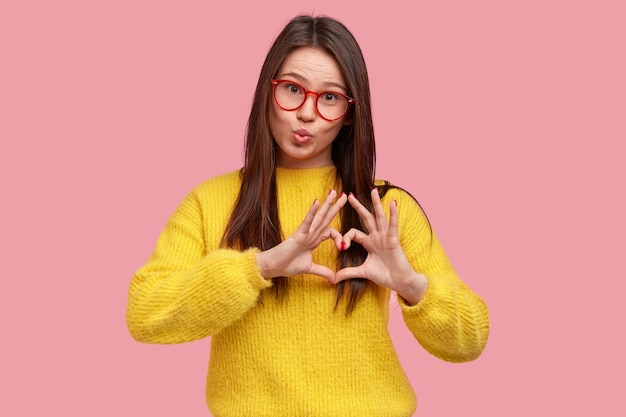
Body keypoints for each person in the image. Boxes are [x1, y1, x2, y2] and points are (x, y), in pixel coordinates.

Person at [126, 14, 490, 416]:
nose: (306, 113)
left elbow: (470, 340)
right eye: (293, 89)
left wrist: (410, 284)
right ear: (268, 92)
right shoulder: (209, 201)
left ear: (351, 111)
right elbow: (145, 314)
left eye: (330, 97)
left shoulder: (383, 209)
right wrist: (258, 269)